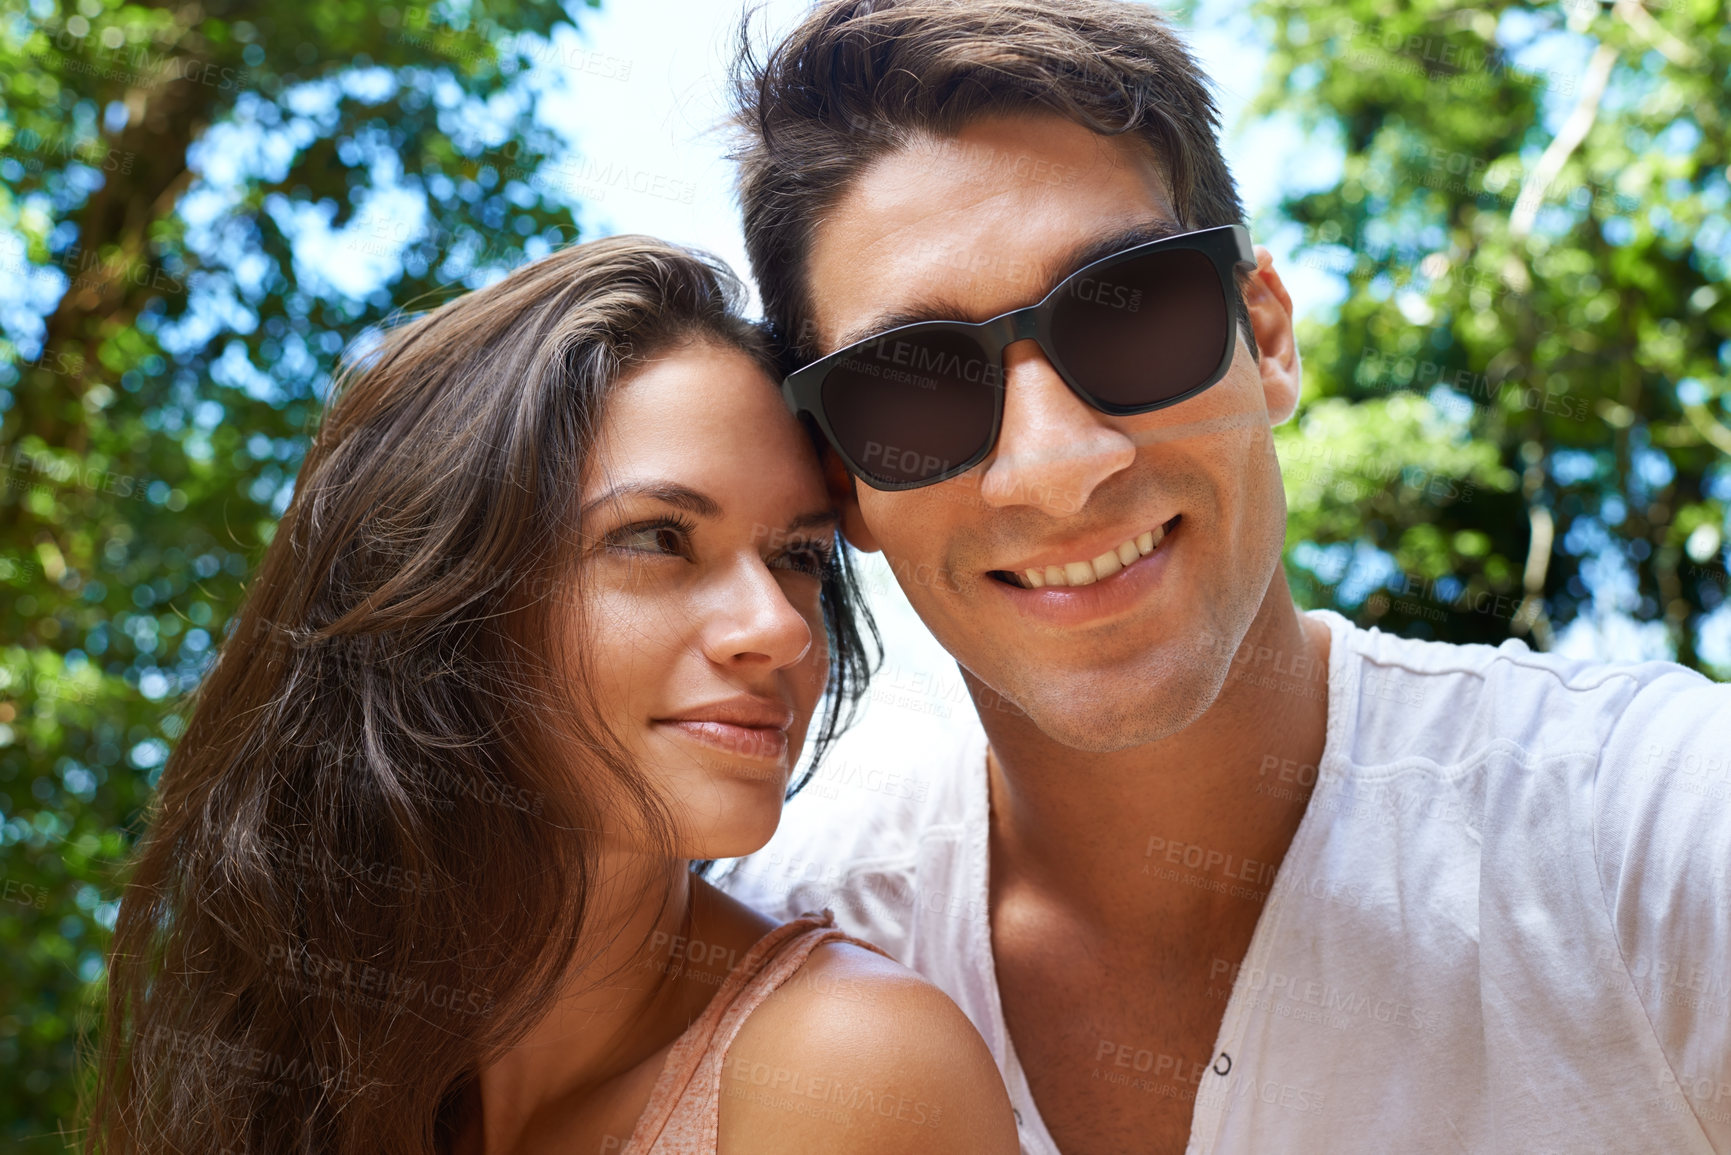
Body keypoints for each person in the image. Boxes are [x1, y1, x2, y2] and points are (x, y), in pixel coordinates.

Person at [712, 3, 1731, 1153]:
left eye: (1133, 313)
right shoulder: (771, 966)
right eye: (913, 387)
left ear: (1269, 336)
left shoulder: (1648, 835)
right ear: (844, 486)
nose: (1056, 469)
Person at [85, 237, 1020, 1155]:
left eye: (799, 556)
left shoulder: (847, 1070)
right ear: (449, 597)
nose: (778, 626)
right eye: (658, 538)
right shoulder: (303, 1063)